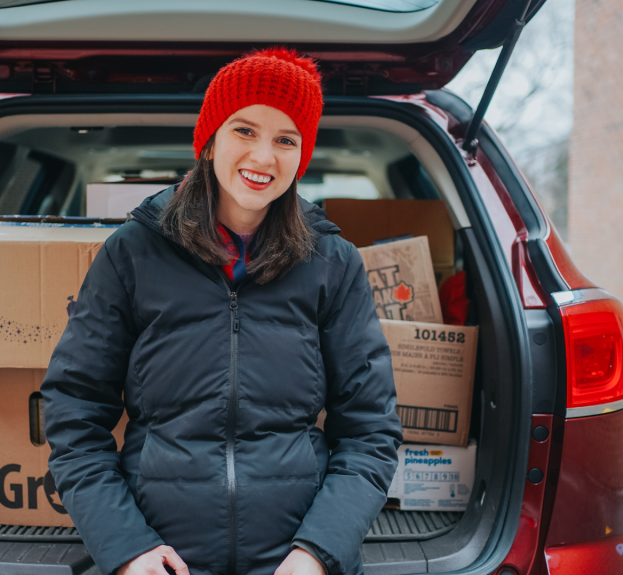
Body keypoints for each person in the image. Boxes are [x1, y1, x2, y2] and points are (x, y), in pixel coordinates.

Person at [41, 48, 402, 575]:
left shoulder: (333, 262)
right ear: (210, 141)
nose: (263, 157)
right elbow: (74, 410)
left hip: (295, 560)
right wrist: (125, 549)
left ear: (302, 156)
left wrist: (319, 552)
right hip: (159, 557)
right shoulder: (132, 252)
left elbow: (370, 430)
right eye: (245, 130)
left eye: (286, 139)